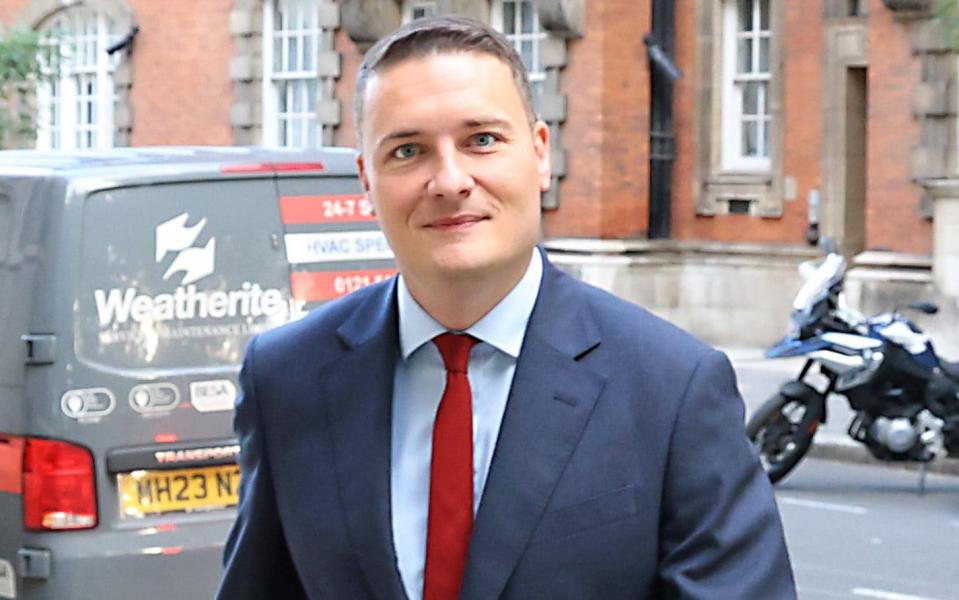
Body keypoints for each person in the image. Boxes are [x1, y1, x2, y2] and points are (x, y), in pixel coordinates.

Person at [217, 15, 796, 600]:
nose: (449, 180)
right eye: (408, 150)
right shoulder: (286, 377)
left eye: (482, 141)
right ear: (366, 180)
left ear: (540, 154)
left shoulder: (673, 387)